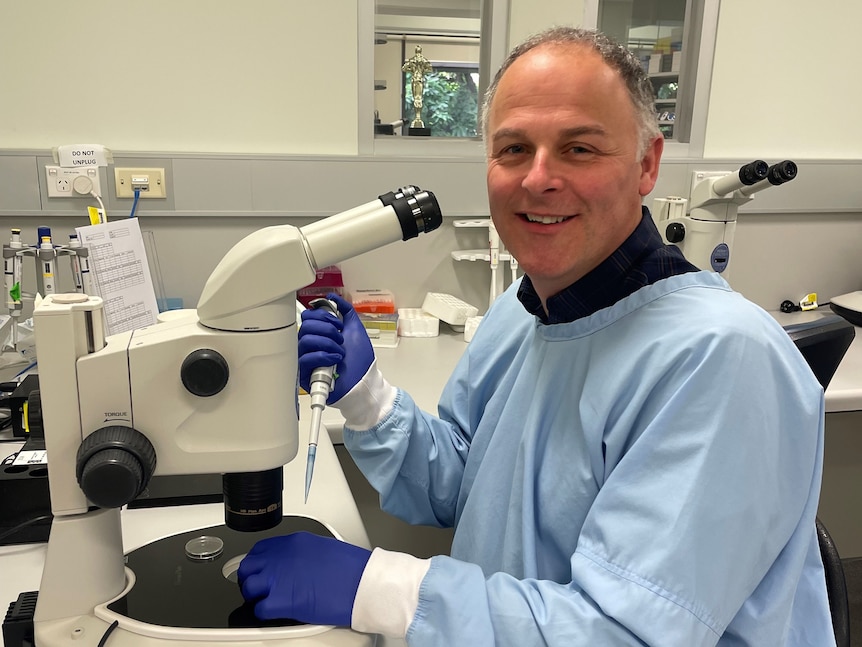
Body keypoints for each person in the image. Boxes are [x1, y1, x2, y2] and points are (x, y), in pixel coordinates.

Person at [238, 27, 834, 646]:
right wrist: (367, 399)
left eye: (579, 148)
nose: (538, 178)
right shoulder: (522, 314)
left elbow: (624, 634)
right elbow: (463, 490)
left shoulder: (723, 360)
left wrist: (378, 587)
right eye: (514, 149)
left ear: (647, 164)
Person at [402, 45, 434, 128]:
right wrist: (423, 72)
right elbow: (430, 69)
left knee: (416, 98)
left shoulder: (412, 59)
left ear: (416, 51)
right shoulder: (423, 60)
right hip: (420, 79)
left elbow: (404, 68)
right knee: (419, 98)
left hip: (414, 79)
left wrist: (412, 71)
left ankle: (418, 118)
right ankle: (418, 117)